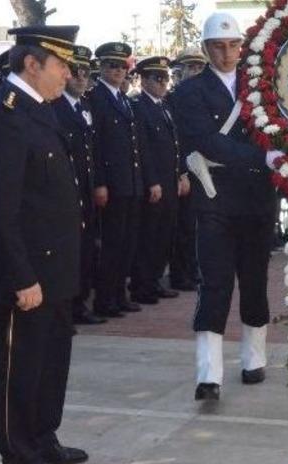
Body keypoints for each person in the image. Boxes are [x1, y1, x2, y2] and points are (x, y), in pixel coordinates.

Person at [0, 25, 89, 464]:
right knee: (20, 370)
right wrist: (22, 277)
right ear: (31, 63)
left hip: (57, 266)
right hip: (28, 274)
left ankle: (44, 438)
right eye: (61, 64)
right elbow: (0, 211)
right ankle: (19, 462)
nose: (68, 73)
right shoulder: (3, 116)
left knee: (51, 362)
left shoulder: (40, 110)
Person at [171, 12, 284, 401]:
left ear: (242, 46)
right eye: (217, 46)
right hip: (214, 192)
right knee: (215, 281)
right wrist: (263, 158)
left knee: (254, 280)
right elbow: (206, 141)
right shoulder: (187, 93)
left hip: (256, 196)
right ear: (205, 49)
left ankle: (254, 360)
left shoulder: (265, 88)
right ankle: (209, 374)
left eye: (233, 45)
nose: (226, 53)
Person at [88, 42, 145, 318]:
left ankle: (119, 294)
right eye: (112, 65)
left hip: (129, 181)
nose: (119, 71)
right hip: (111, 183)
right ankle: (105, 298)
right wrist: (100, 182)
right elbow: (96, 145)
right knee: (111, 245)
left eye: (123, 66)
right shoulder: (96, 97)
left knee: (127, 243)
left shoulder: (122, 98)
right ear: (100, 67)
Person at [52, 45, 106, 325]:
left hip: (85, 189)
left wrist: (98, 184)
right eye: (76, 71)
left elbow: (91, 149)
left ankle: (80, 304)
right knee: (69, 252)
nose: (82, 77)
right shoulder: (55, 106)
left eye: (86, 72)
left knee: (85, 250)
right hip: (67, 191)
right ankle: (68, 307)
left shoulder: (83, 106)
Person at [129, 56, 182, 304]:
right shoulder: (140, 107)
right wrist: (152, 181)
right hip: (156, 182)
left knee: (164, 234)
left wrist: (179, 174)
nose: (162, 83)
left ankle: (155, 280)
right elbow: (143, 149)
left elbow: (173, 145)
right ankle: (143, 285)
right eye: (156, 78)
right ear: (143, 80)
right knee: (149, 236)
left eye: (165, 78)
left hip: (169, 179)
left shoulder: (163, 106)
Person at [168, 48, 207, 291]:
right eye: (190, 67)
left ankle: (194, 269)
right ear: (179, 71)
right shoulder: (173, 99)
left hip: (205, 169)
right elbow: (175, 140)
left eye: (199, 67)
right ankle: (180, 274)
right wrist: (182, 170)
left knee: (199, 226)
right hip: (185, 169)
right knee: (183, 226)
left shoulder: (204, 98)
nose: (195, 72)